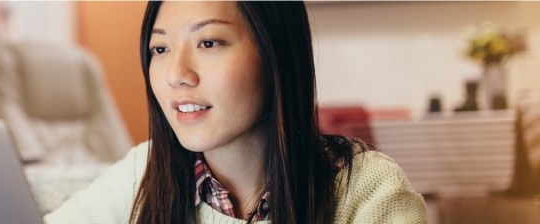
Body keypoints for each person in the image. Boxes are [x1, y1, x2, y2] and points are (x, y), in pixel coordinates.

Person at [44, 2, 427, 223]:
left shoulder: (367, 190)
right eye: (160, 49)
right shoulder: (143, 173)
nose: (177, 74)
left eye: (209, 42)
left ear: (276, 54)